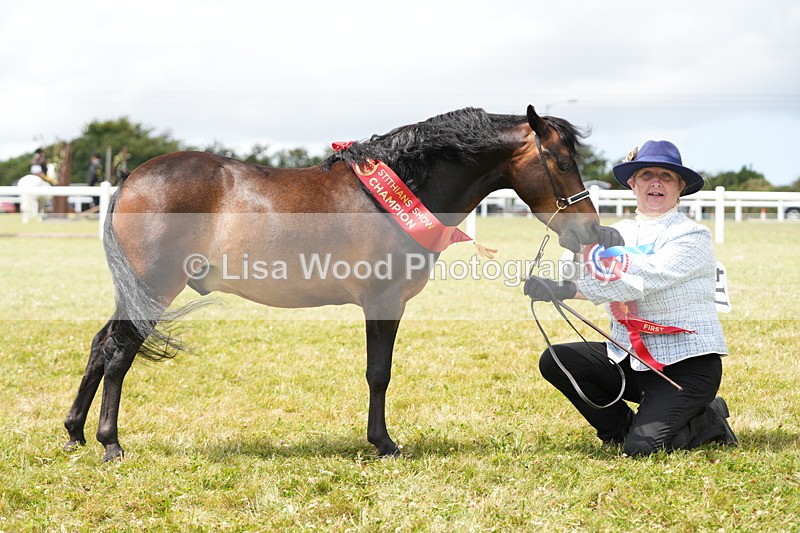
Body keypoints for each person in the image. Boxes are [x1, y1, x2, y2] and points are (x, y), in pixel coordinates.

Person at [524, 140, 736, 456]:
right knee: (556, 359)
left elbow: (643, 279)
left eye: (666, 176)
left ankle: (709, 419)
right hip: (629, 358)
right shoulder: (616, 229)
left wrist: (573, 285)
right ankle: (618, 429)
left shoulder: (693, 236)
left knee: (642, 450)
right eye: (647, 174)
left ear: (680, 186)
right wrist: (577, 254)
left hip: (686, 366)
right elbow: (578, 274)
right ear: (633, 183)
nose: (655, 182)